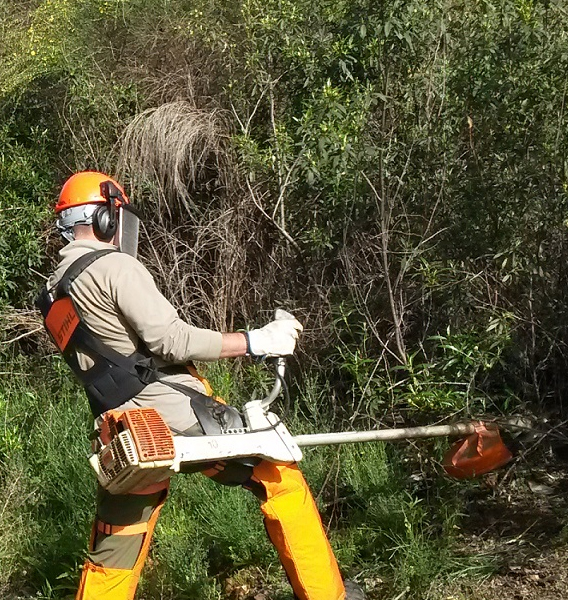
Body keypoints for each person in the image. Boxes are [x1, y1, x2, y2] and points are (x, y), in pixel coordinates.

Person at [37, 172, 363, 600]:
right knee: (279, 476)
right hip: (177, 417)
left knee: (116, 543)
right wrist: (254, 341)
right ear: (103, 218)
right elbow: (170, 340)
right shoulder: (114, 266)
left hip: (123, 431)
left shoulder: (53, 292)